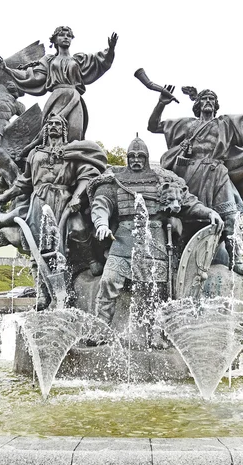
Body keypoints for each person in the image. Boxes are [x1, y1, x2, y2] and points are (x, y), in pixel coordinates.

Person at [148, 87, 243, 275]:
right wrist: (161, 103)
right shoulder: (186, 125)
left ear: (216, 105)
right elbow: (153, 126)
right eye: (204, 98)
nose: (208, 101)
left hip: (217, 174)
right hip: (189, 175)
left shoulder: (226, 124)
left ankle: (235, 258)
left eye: (212, 99)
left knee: (230, 215)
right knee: (184, 219)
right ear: (197, 104)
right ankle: (177, 260)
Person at [88, 136, 223, 328]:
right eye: (132, 156)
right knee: (108, 282)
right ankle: (100, 329)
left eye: (140, 156)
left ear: (146, 158)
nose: (136, 160)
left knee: (157, 291)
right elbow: (101, 204)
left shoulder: (163, 180)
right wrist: (101, 224)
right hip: (124, 239)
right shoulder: (115, 182)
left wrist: (208, 212)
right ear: (127, 158)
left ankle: (156, 333)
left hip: (156, 240)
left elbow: (188, 202)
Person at [0, 114, 107, 309]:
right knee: (37, 247)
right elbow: (25, 181)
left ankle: (90, 260)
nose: (54, 127)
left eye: (58, 124)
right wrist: (7, 195)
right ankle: (42, 293)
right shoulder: (35, 154)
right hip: (39, 202)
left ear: (64, 130)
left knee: (79, 229)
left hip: (64, 200)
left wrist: (77, 197)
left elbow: (87, 175)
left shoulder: (73, 152)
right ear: (46, 130)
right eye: (51, 124)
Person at [0, 26, 118, 143]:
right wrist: (7, 69)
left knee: (75, 134)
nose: (66, 37)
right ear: (55, 39)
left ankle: (75, 161)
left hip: (74, 99)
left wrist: (111, 49)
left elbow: (99, 61)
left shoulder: (79, 59)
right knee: (51, 135)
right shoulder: (49, 60)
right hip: (56, 99)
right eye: (62, 35)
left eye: (69, 36)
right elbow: (34, 77)